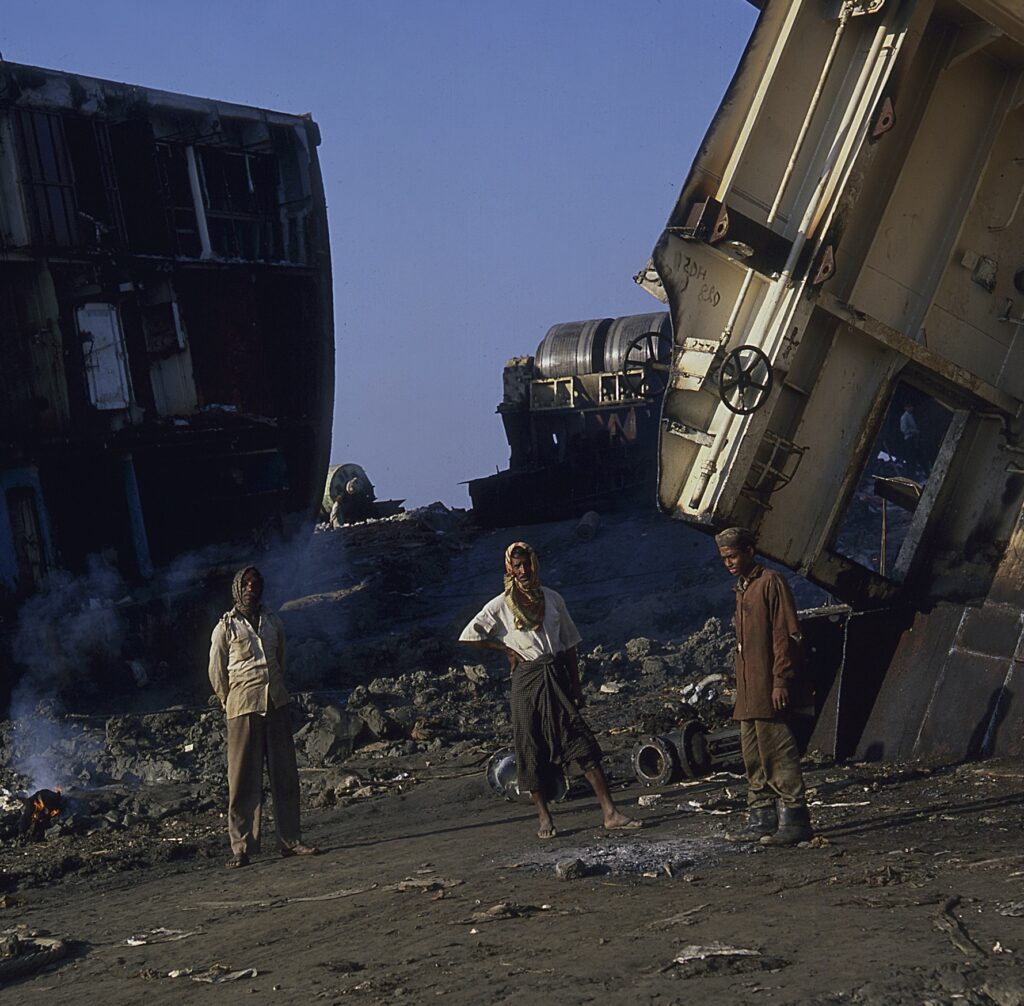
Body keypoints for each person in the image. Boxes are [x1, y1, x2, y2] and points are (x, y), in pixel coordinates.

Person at [459, 542, 640, 839]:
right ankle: (544, 818)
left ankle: (610, 812)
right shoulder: (501, 604)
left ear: (535, 564)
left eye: (527, 564)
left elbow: (569, 646)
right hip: (527, 681)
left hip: (555, 677)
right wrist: (504, 649)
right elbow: (469, 636)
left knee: (579, 740)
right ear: (509, 568)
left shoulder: (553, 600)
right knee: (529, 747)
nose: (523, 571)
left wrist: (576, 686)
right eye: (516, 566)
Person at [208, 566, 319, 868]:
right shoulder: (225, 628)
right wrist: (228, 701)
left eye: (254, 583)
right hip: (242, 708)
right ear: (236, 589)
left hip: (276, 704)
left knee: (285, 775)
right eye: (244, 584)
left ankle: (291, 841)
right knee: (242, 780)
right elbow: (217, 673)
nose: (250, 588)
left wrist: (276, 690)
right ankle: (241, 848)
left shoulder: (273, 622)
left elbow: (280, 660)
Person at [715, 527, 813, 846]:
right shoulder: (742, 588)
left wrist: (781, 681)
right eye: (724, 558)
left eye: (732, 556)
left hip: (768, 688)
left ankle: (795, 821)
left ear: (749, 551)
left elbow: (786, 636)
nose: (728, 562)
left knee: (778, 753)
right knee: (753, 758)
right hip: (748, 692)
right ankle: (761, 818)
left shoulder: (770, 582)